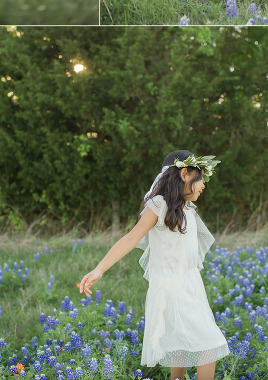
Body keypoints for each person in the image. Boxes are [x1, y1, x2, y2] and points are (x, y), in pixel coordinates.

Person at [77, 151, 228, 380]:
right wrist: (99, 269)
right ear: (184, 173)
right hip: (171, 288)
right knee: (208, 344)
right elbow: (131, 237)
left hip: (191, 285)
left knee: (182, 347)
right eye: (201, 177)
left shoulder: (187, 209)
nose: (204, 184)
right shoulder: (159, 204)